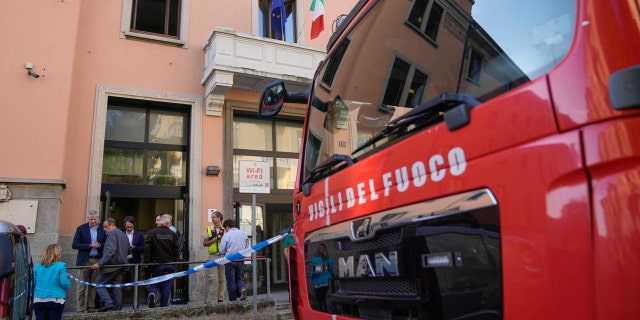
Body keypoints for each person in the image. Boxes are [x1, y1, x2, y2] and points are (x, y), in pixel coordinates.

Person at [92, 218, 130, 312]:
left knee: (99, 285)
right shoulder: (123, 234)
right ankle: (118, 308)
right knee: (117, 287)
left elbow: (110, 251)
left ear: (112, 225)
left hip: (112, 266)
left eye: (106, 227)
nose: (104, 229)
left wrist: (99, 263)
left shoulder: (112, 233)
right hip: (122, 265)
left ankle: (108, 303)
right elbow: (129, 251)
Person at [71, 210, 106, 313]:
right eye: (91, 219)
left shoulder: (103, 229)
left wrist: (99, 245)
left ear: (98, 218)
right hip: (84, 260)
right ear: (88, 219)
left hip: (97, 260)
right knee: (81, 286)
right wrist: (89, 245)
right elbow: (75, 244)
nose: (93, 221)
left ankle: (91, 307)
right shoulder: (81, 228)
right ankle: (80, 309)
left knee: (94, 285)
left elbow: (107, 244)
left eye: (94, 219)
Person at [144, 213, 179, 308]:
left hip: (157, 263)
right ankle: (163, 307)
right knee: (166, 287)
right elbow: (176, 249)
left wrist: (146, 261)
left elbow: (147, 247)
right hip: (170, 263)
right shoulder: (173, 234)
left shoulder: (152, 232)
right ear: (168, 224)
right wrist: (175, 260)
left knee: (154, 281)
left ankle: (152, 293)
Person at [33, 244, 71, 320]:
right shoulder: (61, 265)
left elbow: (33, 283)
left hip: (38, 299)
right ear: (57, 254)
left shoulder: (37, 266)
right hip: (55, 299)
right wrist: (68, 282)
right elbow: (64, 284)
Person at [219, 219, 248, 302]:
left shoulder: (227, 235)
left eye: (225, 228)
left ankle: (233, 301)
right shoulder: (243, 233)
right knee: (238, 278)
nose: (225, 230)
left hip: (230, 260)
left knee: (230, 281)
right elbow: (247, 246)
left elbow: (221, 250)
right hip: (240, 259)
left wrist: (225, 253)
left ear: (227, 227)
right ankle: (241, 288)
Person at [202, 209, 226, 303]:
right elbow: (204, 244)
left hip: (223, 256)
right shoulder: (209, 229)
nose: (212, 219)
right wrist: (212, 241)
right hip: (212, 256)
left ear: (219, 218)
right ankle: (209, 301)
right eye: (211, 217)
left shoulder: (225, 230)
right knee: (211, 279)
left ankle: (221, 299)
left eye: (213, 217)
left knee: (222, 279)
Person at [309, 243, 333, 312]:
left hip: (317, 284)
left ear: (318, 250)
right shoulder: (329, 260)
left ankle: (322, 312)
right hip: (326, 283)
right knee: (326, 299)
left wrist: (312, 277)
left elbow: (314, 273)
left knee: (320, 300)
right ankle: (326, 312)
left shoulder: (314, 260)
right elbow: (331, 272)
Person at [123, 216, 144, 283]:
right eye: (127, 227)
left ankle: (135, 292)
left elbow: (143, 247)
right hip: (123, 260)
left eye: (131, 227)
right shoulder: (121, 234)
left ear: (134, 225)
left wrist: (135, 248)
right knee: (122, 279)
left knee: (134, 279)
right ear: (124, 225)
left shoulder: (139, 234)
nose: (129, 229)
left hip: (134, 259)